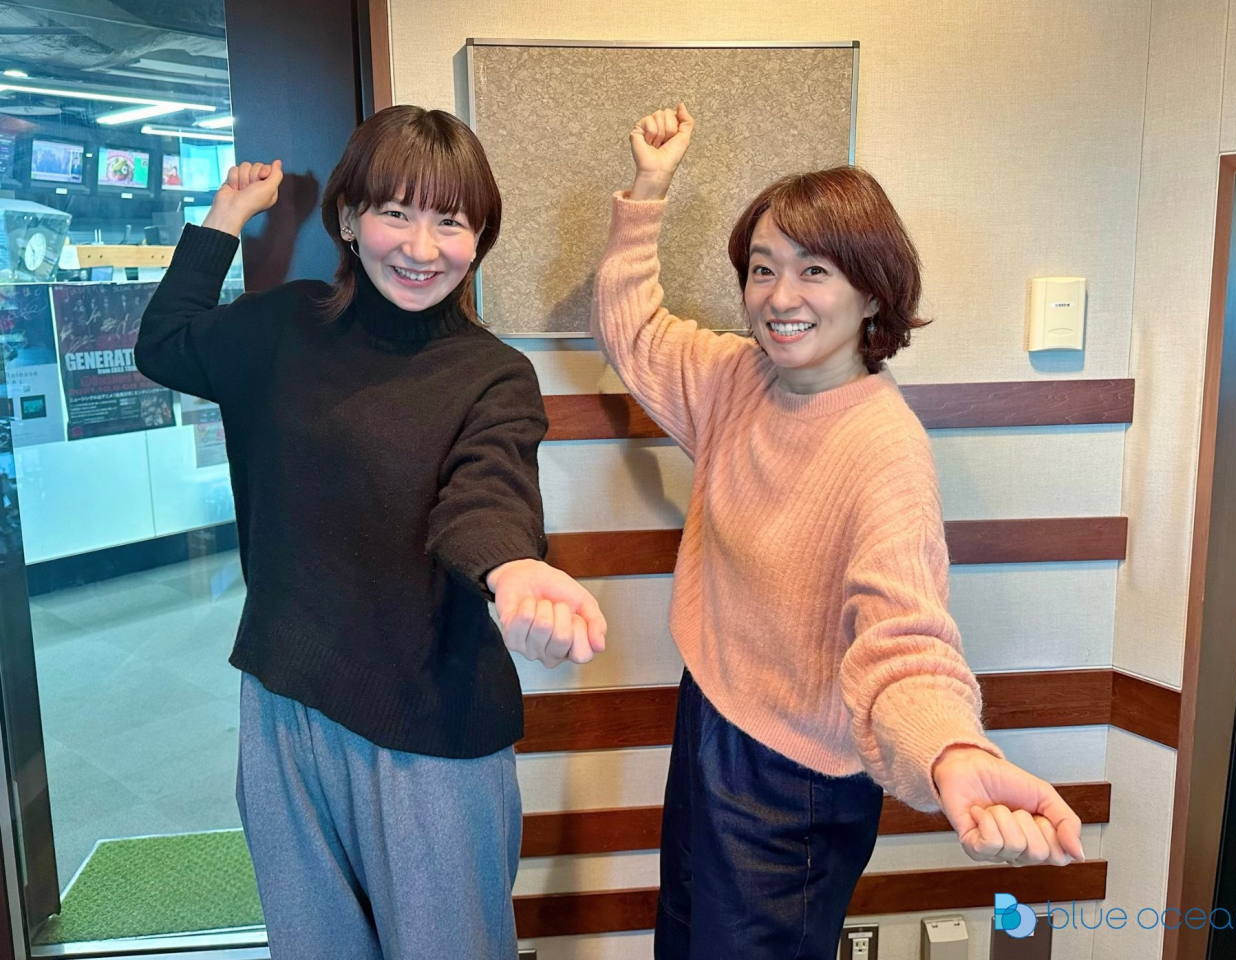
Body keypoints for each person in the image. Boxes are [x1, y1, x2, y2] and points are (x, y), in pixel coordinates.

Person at [591, 104, 1086, 960]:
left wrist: (948, 751)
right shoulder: (738, 379)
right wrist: (649, 188)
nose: (779, 297)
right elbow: (631, 330)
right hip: (711, 715)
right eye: (762, 269)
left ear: (872, 292)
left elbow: (906, 641)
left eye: (813, 270)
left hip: (796, 781)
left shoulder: (883, 447)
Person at [136, 105, 606, 960]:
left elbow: (486, 497)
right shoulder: (284, 327)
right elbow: (163, 344)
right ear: (350, 220)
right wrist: (226, 217)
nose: (423, 248)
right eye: (396, 212)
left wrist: (512, 568)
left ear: (479, 239)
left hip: (429, 726)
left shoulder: (493, 375)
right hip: (284, 702)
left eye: (452, 222)